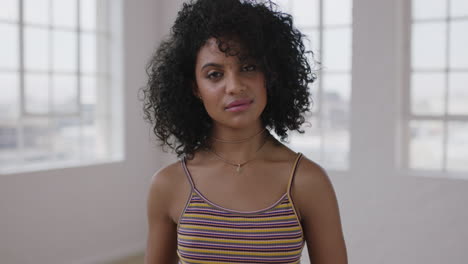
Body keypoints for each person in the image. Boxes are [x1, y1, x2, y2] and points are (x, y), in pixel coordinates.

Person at [142, 0, 347, 263]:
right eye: (215, 74)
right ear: (195, 88)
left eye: (248, 67)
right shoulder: (168, 185)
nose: (235, 86)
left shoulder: (307, 181)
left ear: (271, 75)